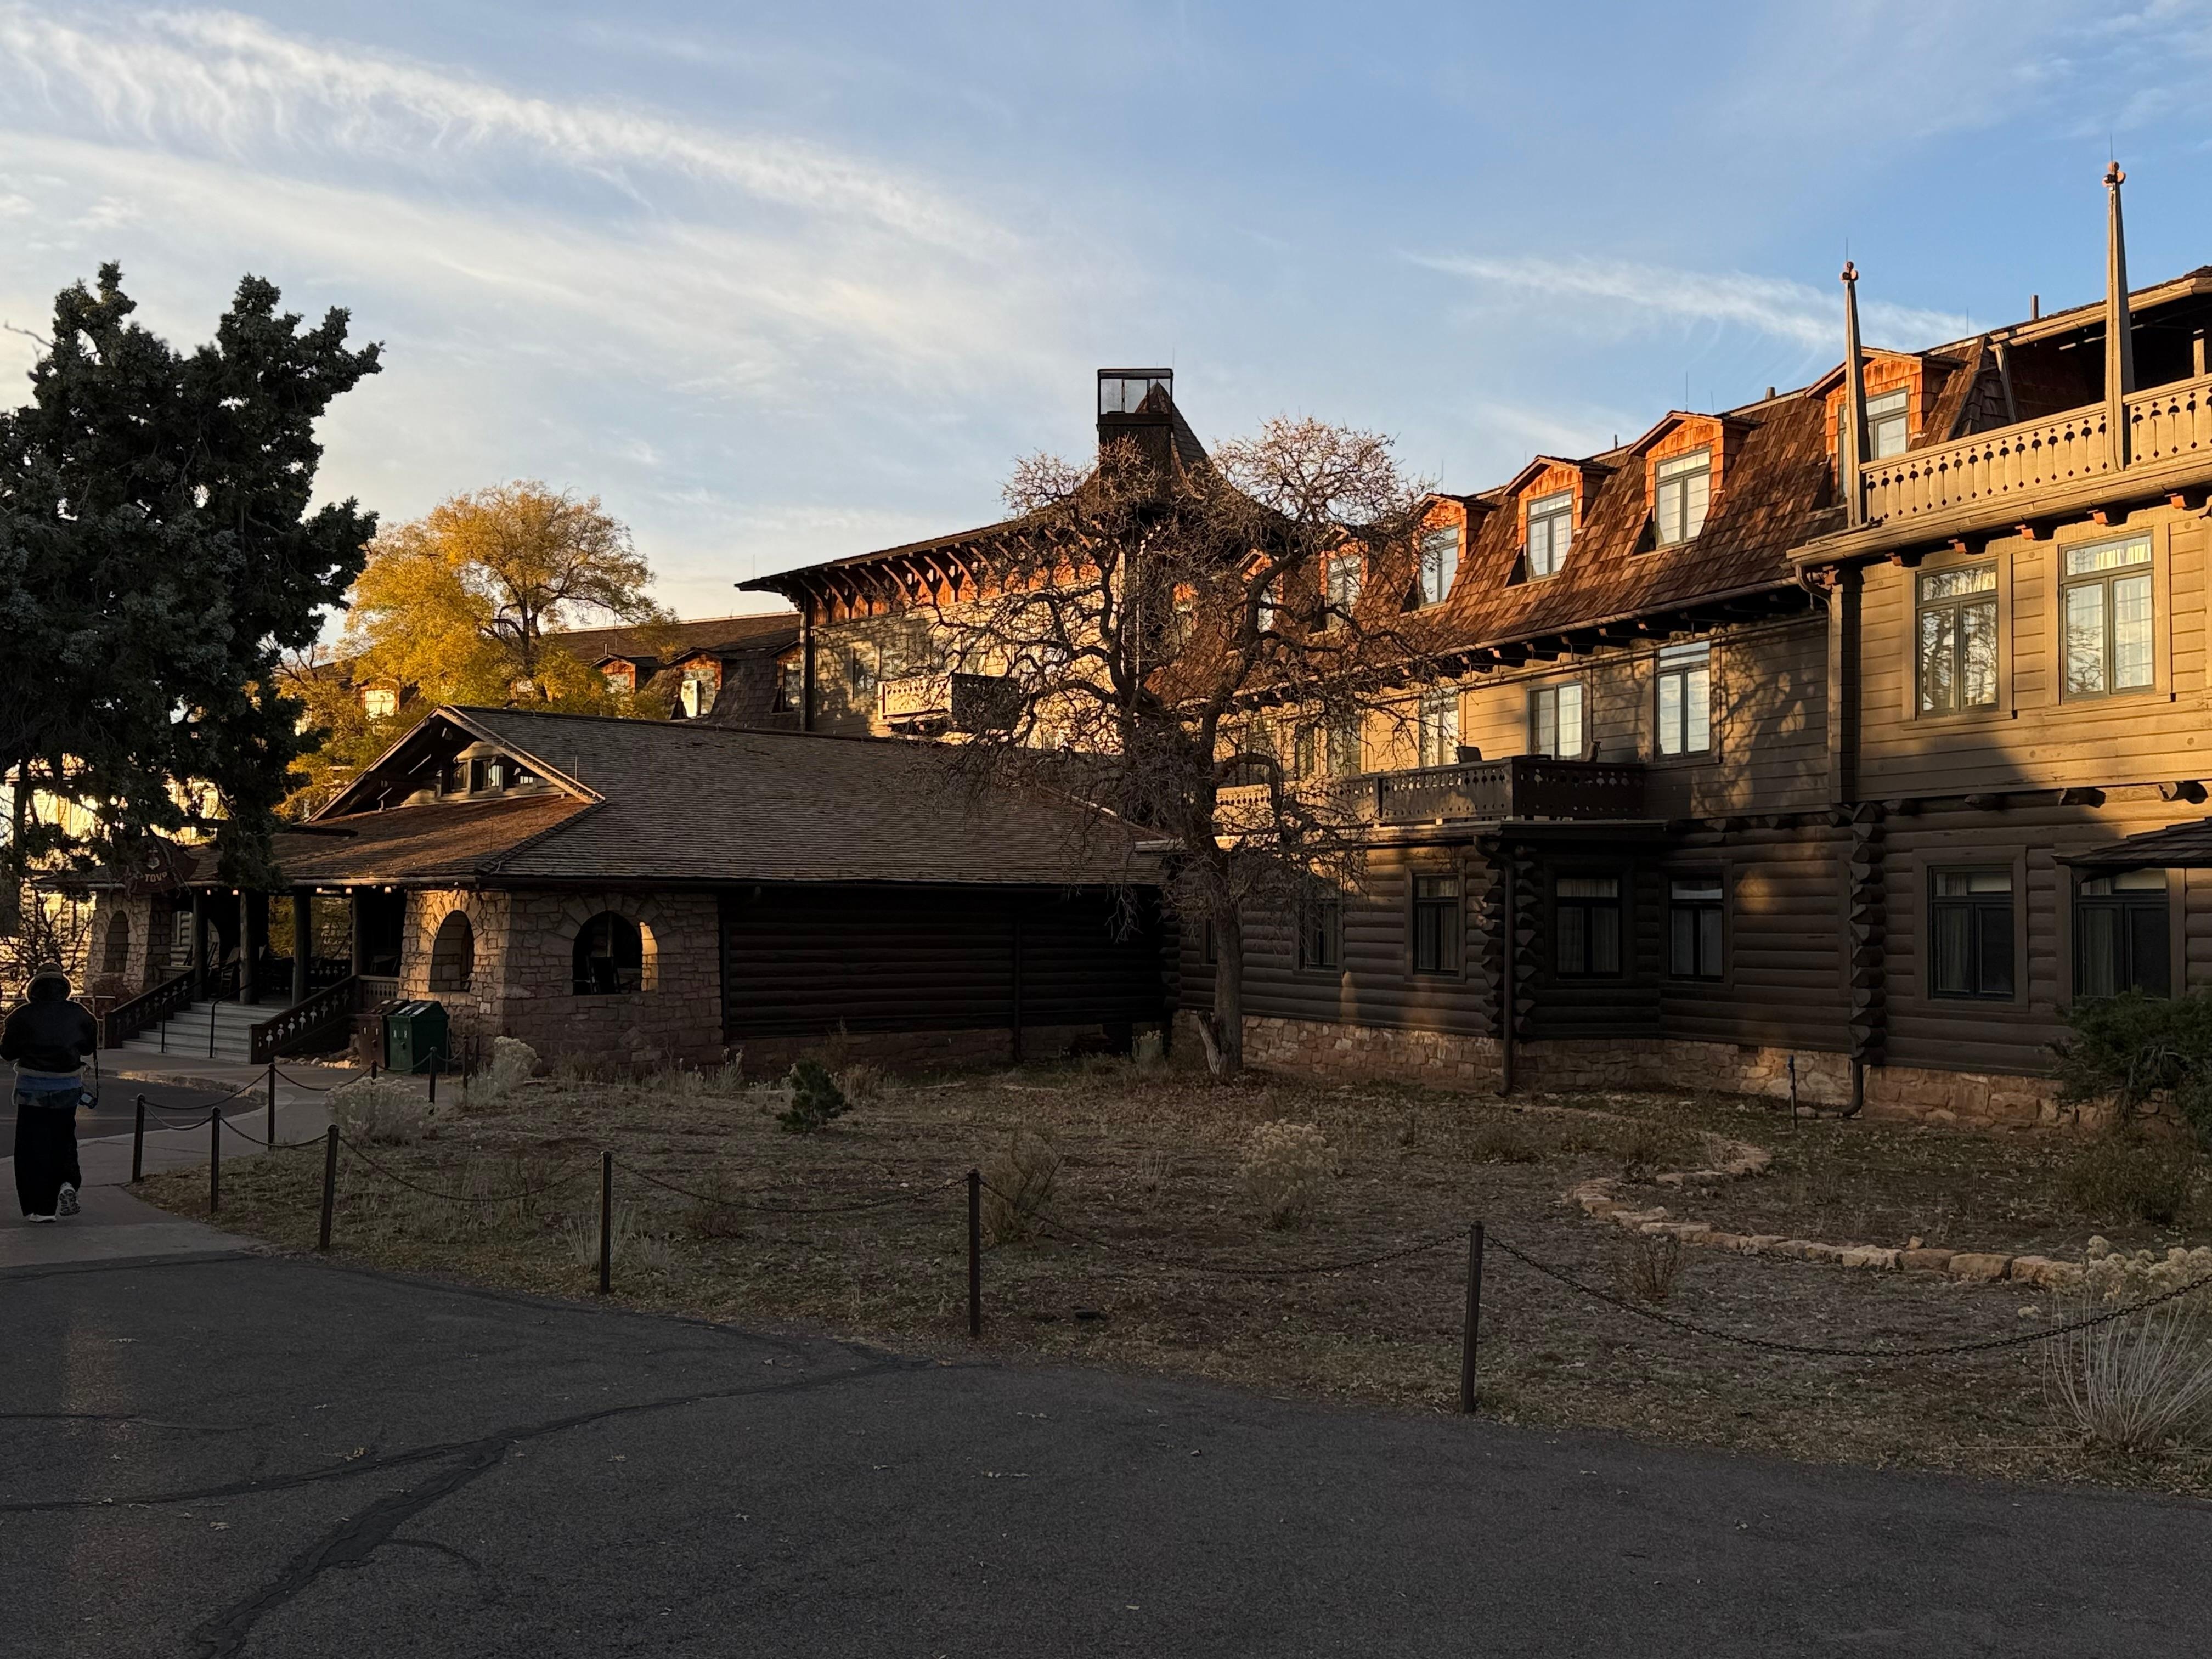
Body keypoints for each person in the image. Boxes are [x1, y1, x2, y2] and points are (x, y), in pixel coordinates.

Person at [3, 963, 97, 1222]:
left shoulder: (21, 1016)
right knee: (64, 1139)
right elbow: (89, 1048)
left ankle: (39, 1208)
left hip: (31, 1088)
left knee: (31, 1146)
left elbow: (7, 1052)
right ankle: (67, 1183)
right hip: (67, 1087)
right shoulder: (80, 1013)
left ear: (34, 988)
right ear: (64, 988)